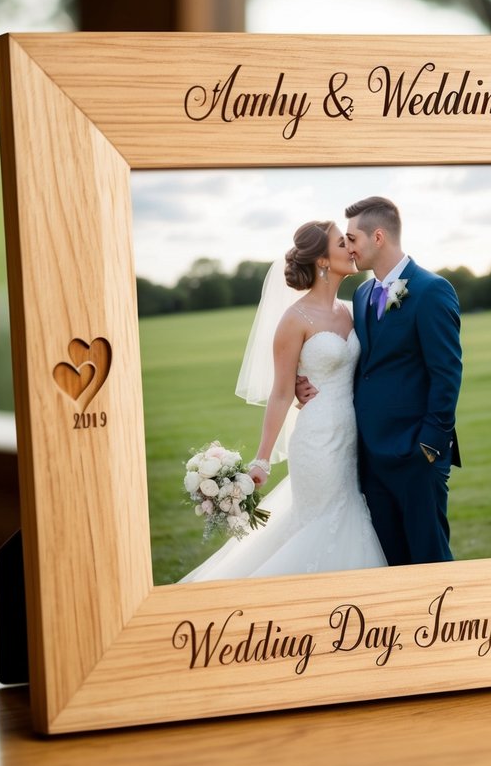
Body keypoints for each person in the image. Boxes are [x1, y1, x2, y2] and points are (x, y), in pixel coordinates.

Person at [179, 220, 387, 582]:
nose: (352, 248)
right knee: (327, 524)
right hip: (318, 442)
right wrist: (262, 459)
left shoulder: (354, 309)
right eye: (343, 243)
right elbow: (279, 391)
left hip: (356, 439)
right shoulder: (294, 319)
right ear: (323, 260)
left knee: (352, 518)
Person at [298, 196, 462, 566]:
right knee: (390, 562)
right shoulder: (361, 293)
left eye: (352, 239)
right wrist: (300, 381)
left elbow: (447, 373)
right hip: (369, 457)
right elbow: (353, 361)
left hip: (415, 454)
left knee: (429, 559)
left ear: (377, 237)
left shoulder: (431, 290)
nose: (349, 248)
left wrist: (429, 447)